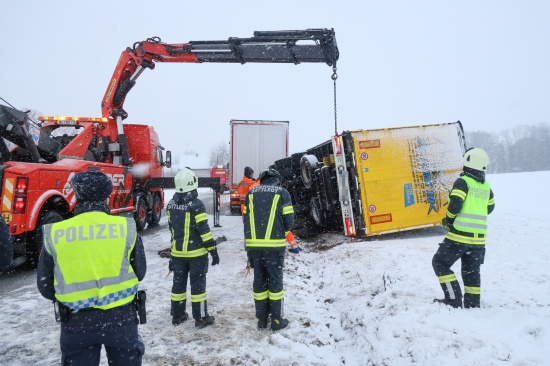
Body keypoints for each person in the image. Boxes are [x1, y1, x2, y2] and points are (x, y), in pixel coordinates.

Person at [37, 170, 147, 365]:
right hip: (121, 319)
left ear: (77, 196)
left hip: (76, 322)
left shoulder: (56, 232)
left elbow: (45, 286)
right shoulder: (125, 227)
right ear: (106, 197)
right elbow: (140, 272)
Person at [432, 148, 495, 309]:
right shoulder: (486, 186)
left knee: (439, 263)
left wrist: (449, 220)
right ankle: (472, 304)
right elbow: (490, 207)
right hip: (479, 239)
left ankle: (453, 298)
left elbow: (455, 204)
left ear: (467, 163)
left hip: (459, 236)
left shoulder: (463, 181)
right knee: (471, 271)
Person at [167, 167, 219, 328]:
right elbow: (204, 230)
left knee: (178, 285)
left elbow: (172, 231)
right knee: (198, 287)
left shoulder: (170, 204)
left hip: (177, 254)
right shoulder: (196, 205)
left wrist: (172, 255)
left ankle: (178, 315)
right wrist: (213, 251)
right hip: (196, 255)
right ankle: (201, 318)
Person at [244, 168, 294, 331]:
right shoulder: (282, 193)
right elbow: (289, 222)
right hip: (274, 247)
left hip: (254, 246)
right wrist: (280, 232)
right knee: (275, 280)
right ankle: (277, 320)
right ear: (276, 180)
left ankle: (262, 319)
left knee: (259, 281)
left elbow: (246, 219)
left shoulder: (251, 193)